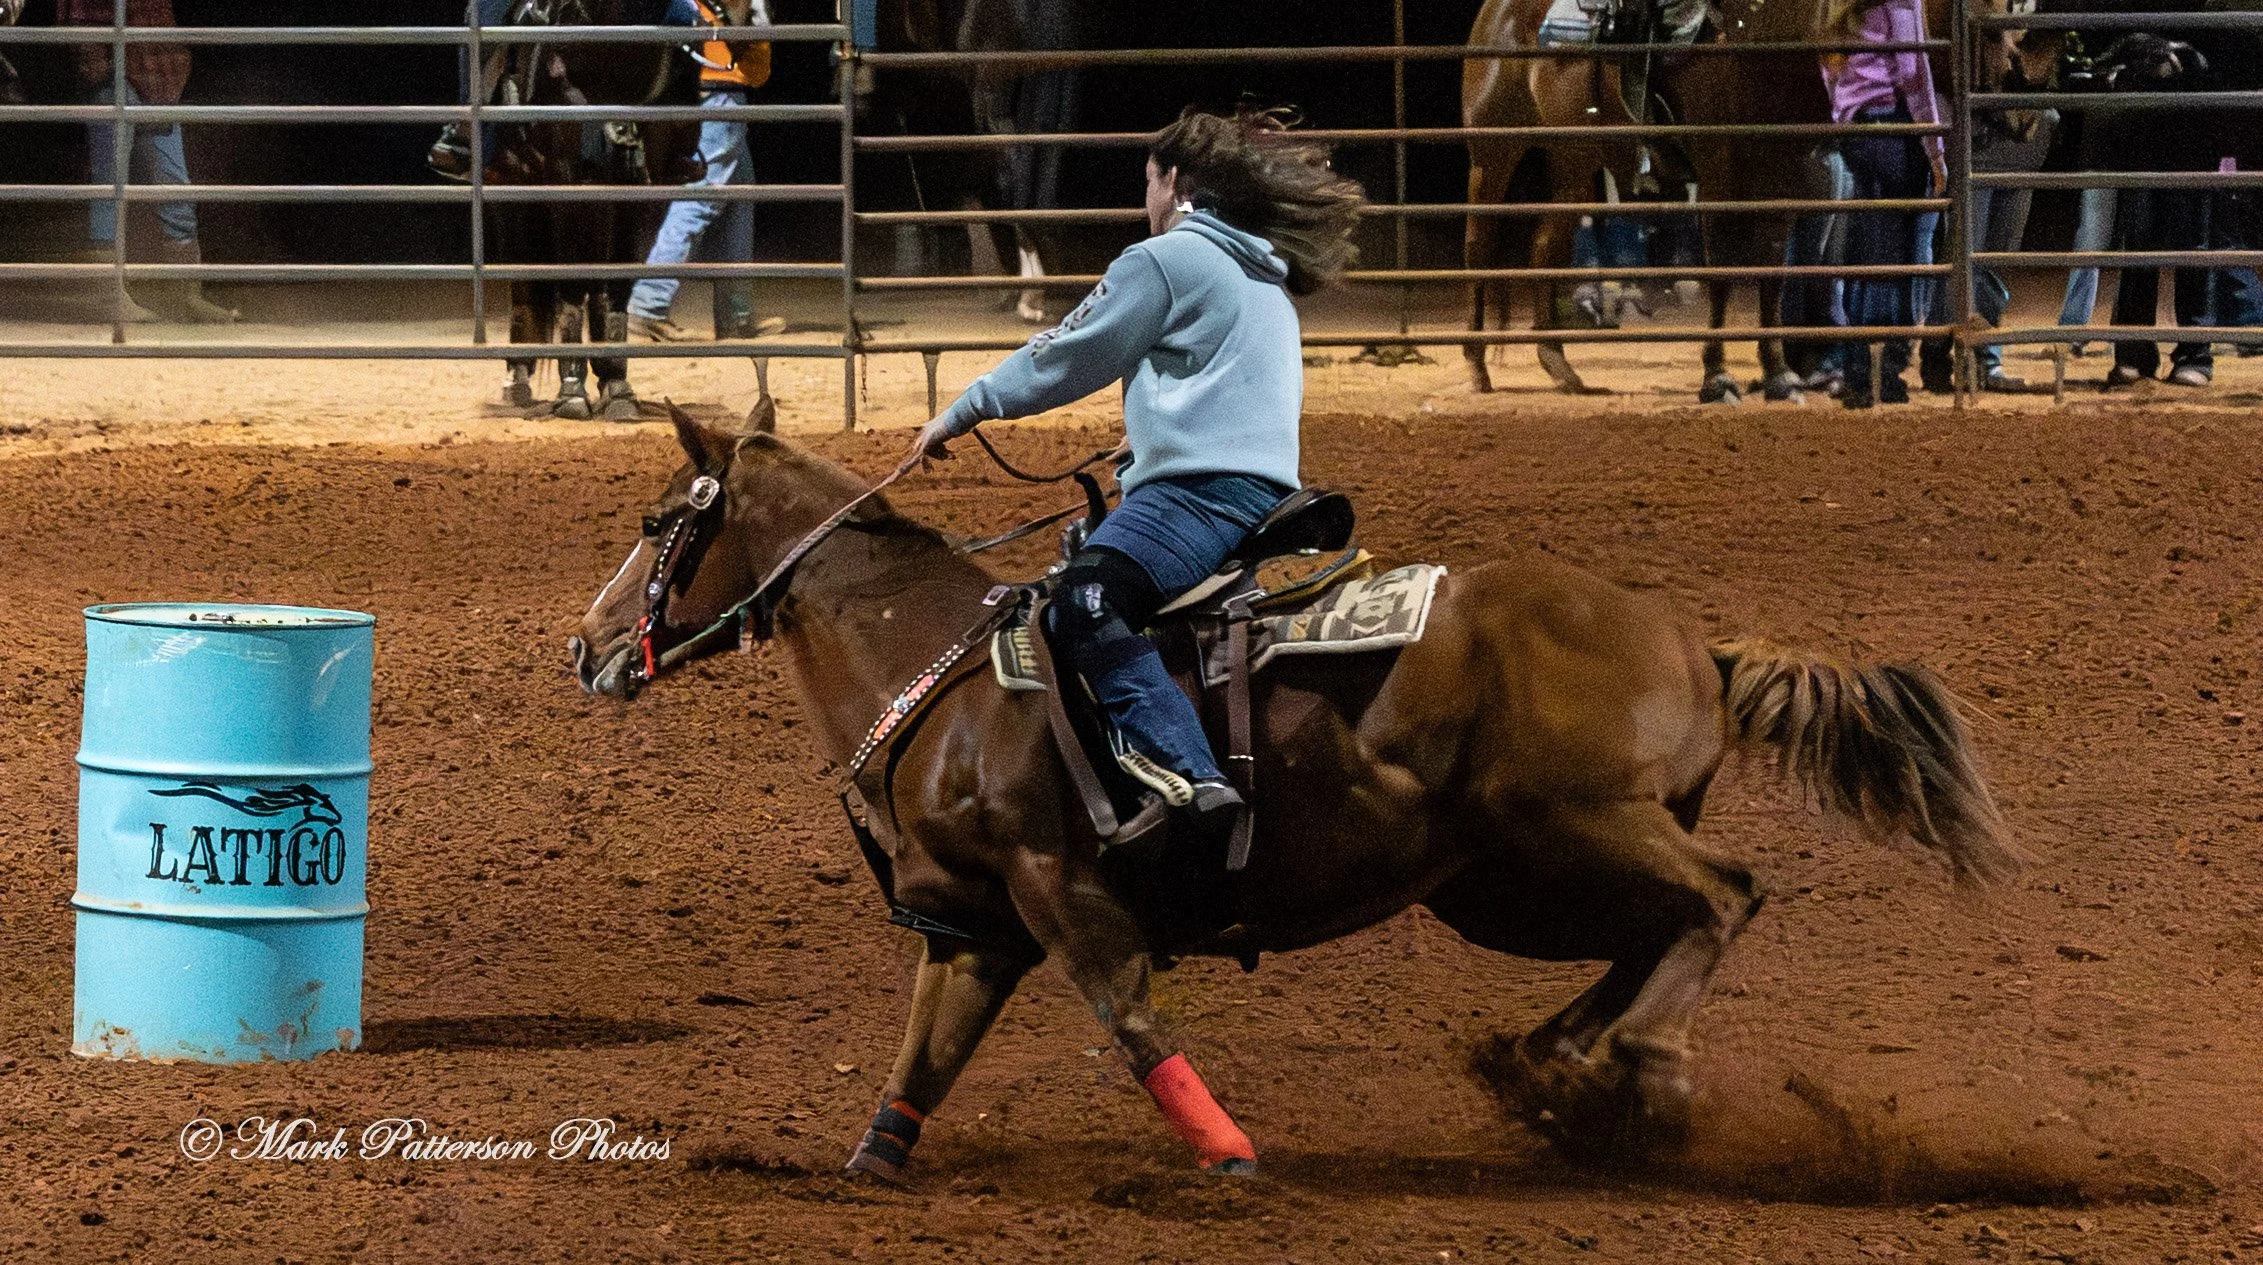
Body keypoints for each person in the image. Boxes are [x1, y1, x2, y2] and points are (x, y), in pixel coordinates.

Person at [895, 108, 1363, 823]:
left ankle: (1190, 773)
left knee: (1085, 602)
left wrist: (964, 409)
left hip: (1198, 496)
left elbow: (1069, 353)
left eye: (1147, 180)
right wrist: (1150, 434)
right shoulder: (1258, 268)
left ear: (1174, 183)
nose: (1143, 198)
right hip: (1256, 486)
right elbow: (1229, 379)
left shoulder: (1166, 259)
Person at [60, 0, 235, 323]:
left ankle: (187, 295)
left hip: (155, 70)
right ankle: (110, 297)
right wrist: (93, 58)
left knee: (174, 182)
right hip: (115, 64)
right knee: (111, 182)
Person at [627, 0, 785, 342]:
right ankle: (648, 304)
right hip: (719, 86)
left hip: (712, 83)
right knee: (699, 199)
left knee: (739, 196)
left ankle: (736, 314)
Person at [1819, 0, 1944, 408]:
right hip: (1891, 123)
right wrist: (1935, 147)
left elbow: (1830, 64)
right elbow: (1913, 71)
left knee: (1869, 245)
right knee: (1890, 252)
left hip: (1856, 122)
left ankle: (1861, 367)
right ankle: (1880, 371)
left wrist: (1844, 110)